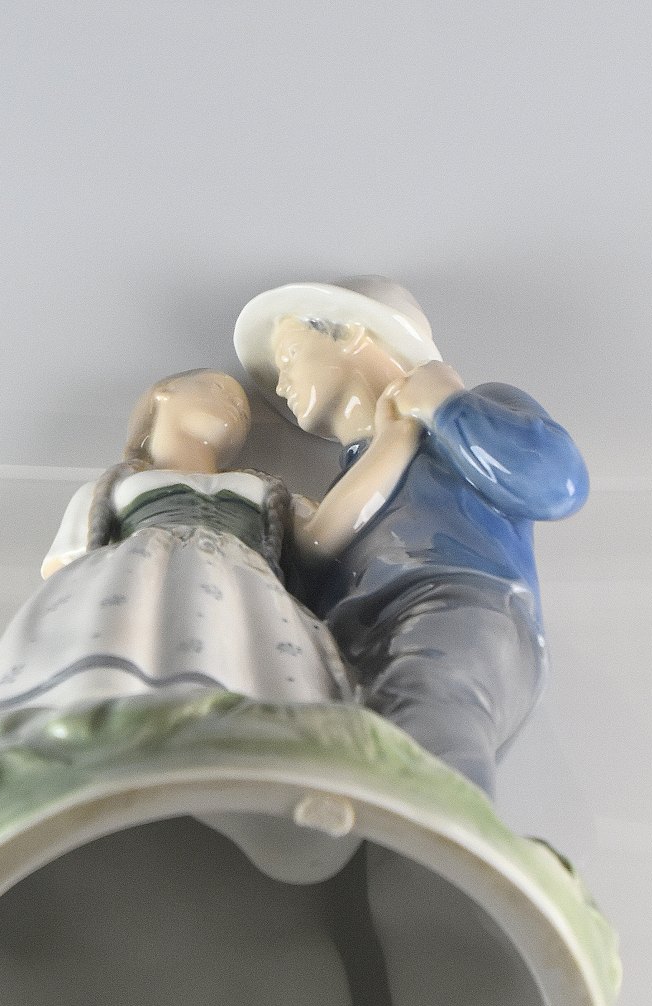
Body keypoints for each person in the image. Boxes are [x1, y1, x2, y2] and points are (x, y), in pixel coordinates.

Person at [234, 276, 589, 799]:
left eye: (288, 355)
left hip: (457, 601)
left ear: (352, 332)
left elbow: (559, 483)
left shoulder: (473, 412)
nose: (282, 383)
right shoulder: (346, 484)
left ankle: (445, 831)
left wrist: (447, 405)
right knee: (356, 757)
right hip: (358, 637)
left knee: (429, 703)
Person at [0, 368, 352, 747]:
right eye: (217, 390)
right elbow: (65, 568)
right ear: (165, 393)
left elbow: (325, 534)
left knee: (243, 659)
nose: (236, 407)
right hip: (137, 587)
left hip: (240, 593)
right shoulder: (112, 487)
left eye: (245, 410)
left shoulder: (266, 490)